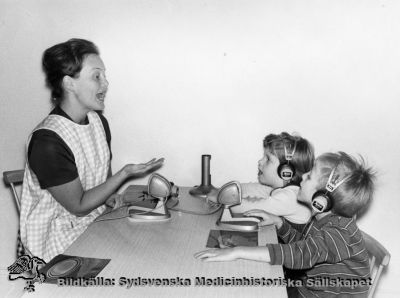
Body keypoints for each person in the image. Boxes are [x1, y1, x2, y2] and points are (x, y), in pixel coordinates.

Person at [19, 38, 164, 262]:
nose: (105, 84)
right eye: (97, 76)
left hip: (93, 224)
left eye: (104, 76)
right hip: (54, 246)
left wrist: (107, 197)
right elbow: (78, 206)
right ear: (69, 83)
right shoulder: (47, 141)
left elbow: (98, 183)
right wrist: (125, 173)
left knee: (150, 250)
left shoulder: (98, 122)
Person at [195, 152, 375, 297]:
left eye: (310, 176)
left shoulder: (338, 235)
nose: (303, 175)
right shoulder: (327, 222)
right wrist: (280, 223)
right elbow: (306, 244)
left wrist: (237, 251)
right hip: (308, 289)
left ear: (322, 199)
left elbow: (300, 253)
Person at [231, 132, 314, 231]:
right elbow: (255, 189)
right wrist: (223, 191)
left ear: (286, 171)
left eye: (268, 159)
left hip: (291, 245)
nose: (260, 162)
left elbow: (245, 208)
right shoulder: (284, 189)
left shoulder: (290, 197)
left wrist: (222, 198)